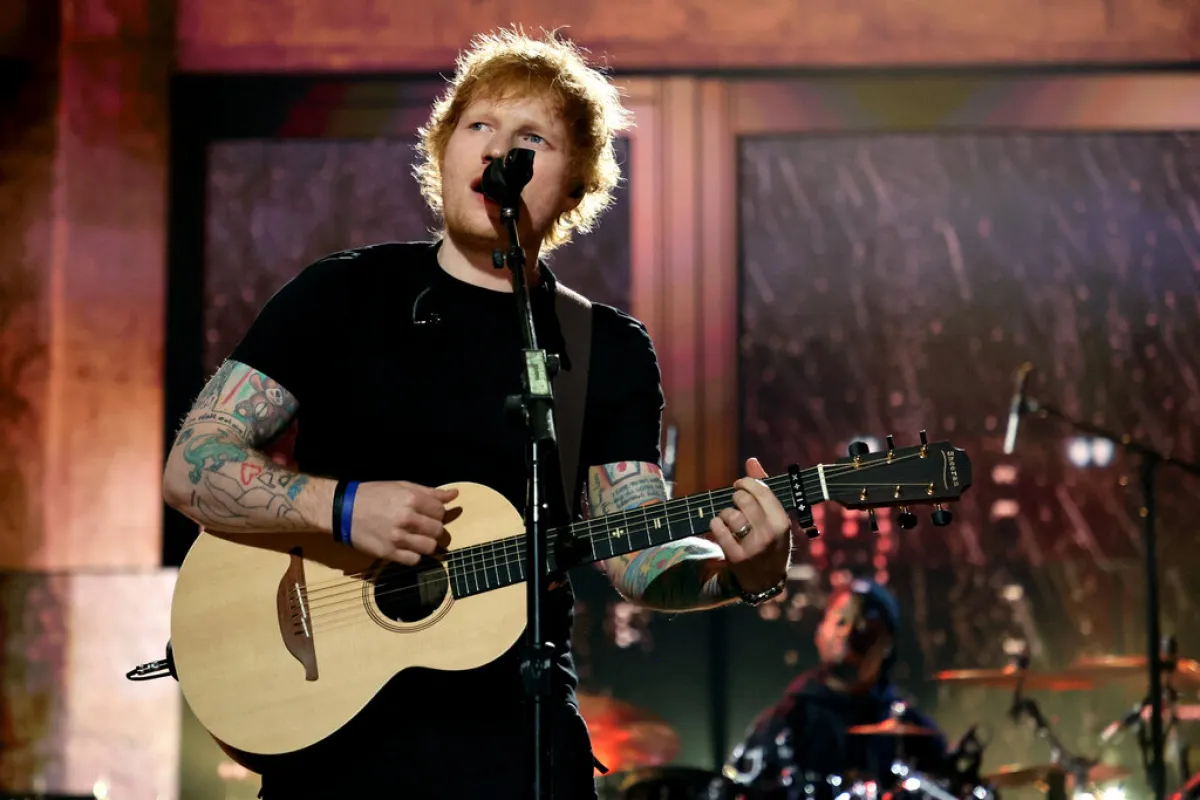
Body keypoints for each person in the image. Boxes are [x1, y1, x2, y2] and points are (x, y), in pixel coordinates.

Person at [161, 26, 795, 800]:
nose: (500, 151)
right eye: (480, 126)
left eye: (533, 138)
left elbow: (637, 554)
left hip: (515, 748)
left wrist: (746, 573)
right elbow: (192, 465)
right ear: (443, 150)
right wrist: (344, 507)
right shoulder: (342, 295)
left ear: (576, 186)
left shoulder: (606, 349)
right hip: (335, 740)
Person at [725, 579, 947, 796]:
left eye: (864, 627)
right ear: (820, 631)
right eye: (841, 621)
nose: (849, 633)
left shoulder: (912, 730)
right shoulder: (786, 722)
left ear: (887, 644)